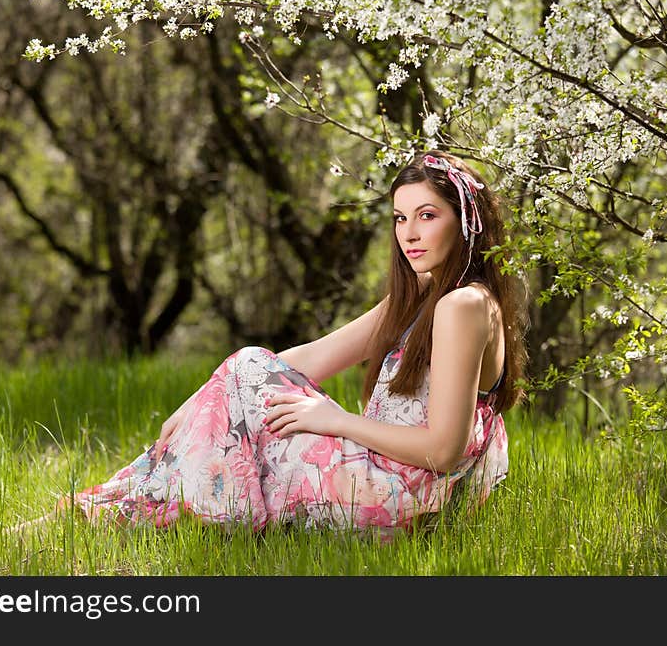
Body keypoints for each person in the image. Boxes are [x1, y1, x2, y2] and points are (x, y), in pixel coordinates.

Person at [50, 150, 528, 538]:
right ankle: (110, 511)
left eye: (428, 215)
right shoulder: (428, 294)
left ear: (467, 221)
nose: (410, 233)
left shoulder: (462, 306)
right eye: (400, 218)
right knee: (245, 369)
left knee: (246, 374)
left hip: (397, 496)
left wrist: (338, 422)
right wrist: (207, 398)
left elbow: (443, 451)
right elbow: (314, 357)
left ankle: (102, 515)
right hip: (391, 484)